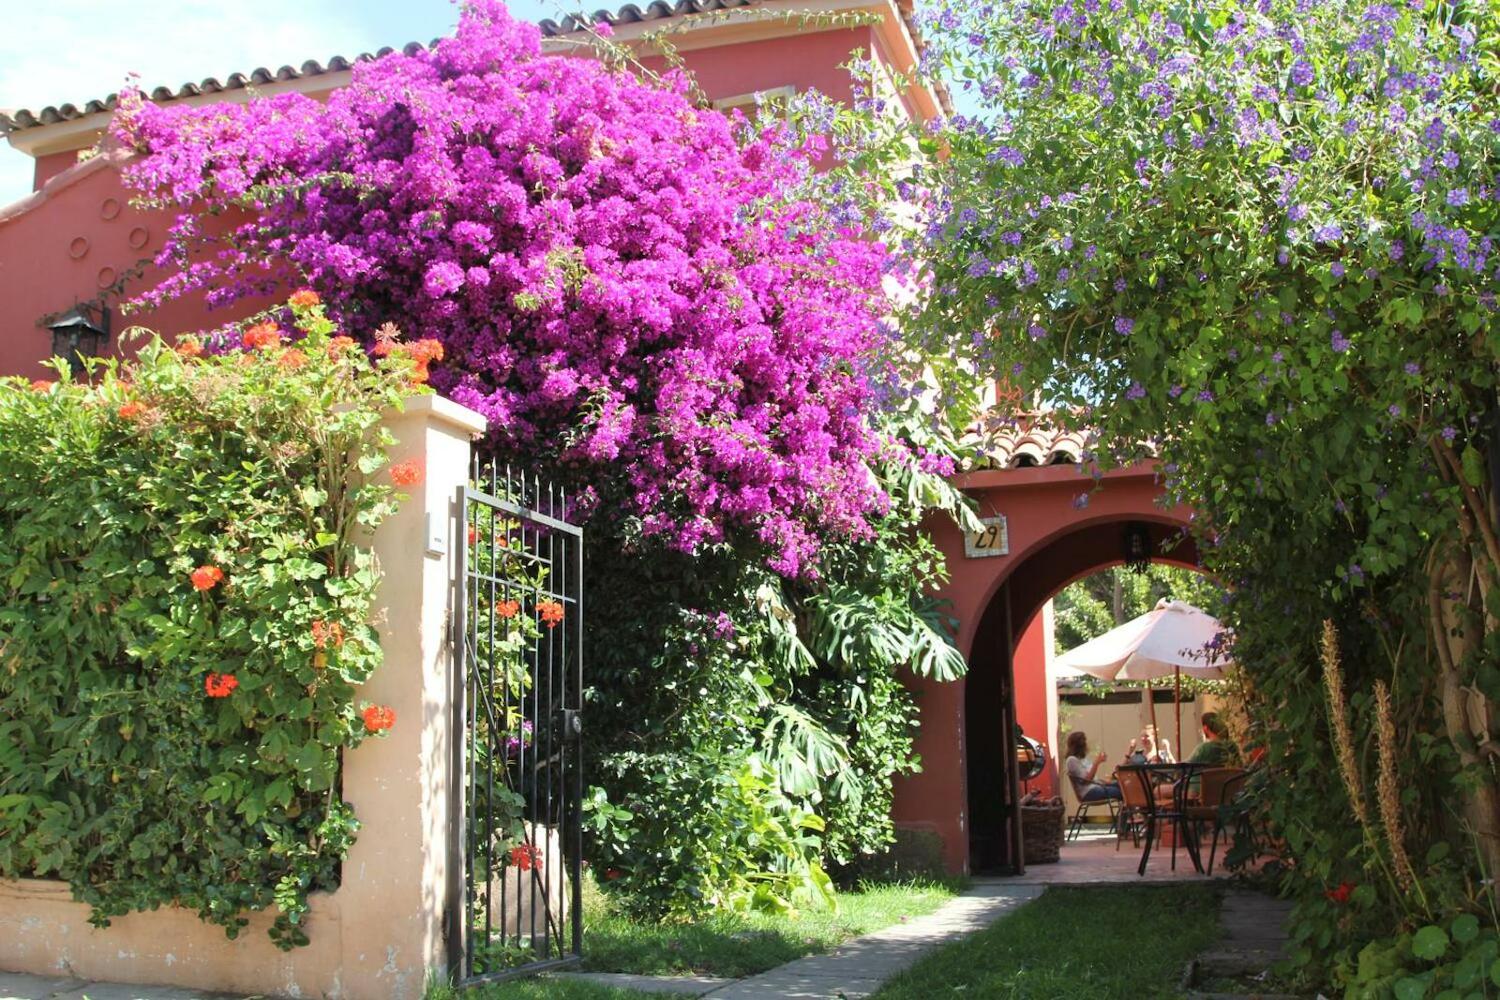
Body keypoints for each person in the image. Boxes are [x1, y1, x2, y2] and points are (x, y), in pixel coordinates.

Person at [1064, 731, 1121, 802]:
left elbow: (1093, 779)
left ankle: (1125, 812)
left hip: (1096, 786)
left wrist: (1106, 782)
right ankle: (1126, 813)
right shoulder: (1072, 760)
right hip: (1088, 792)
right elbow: (1087, 780)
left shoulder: (1082, 759)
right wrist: (1097, 762)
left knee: (1122, 785)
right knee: (1121, 792)